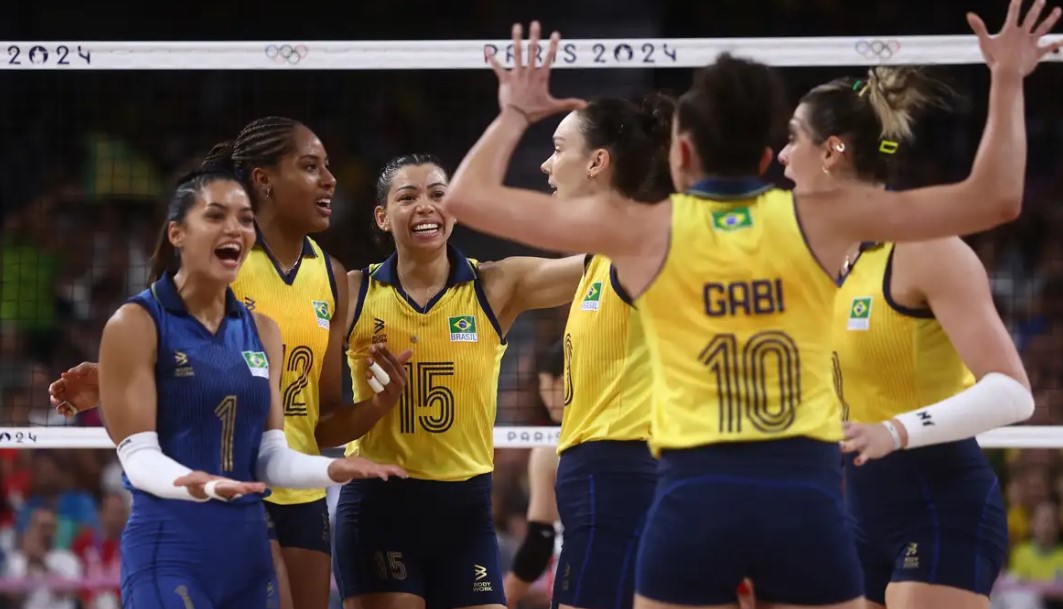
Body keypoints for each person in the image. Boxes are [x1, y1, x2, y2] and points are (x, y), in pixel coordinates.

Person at [440, 5, 1060, 608]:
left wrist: (515, 112)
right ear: (766, 161)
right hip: (804, 494)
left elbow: (467, 198)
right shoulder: (822, 221)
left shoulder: (642, 232)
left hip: (692, 495)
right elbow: (998, 198)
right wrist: (1007, 79)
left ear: (681, 156)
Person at [49, 117, 412, 609]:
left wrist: (377, 406)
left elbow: (322, 419)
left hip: (298, 487)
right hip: (231, 488)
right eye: (310, 167)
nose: (330, 179)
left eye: (327, 167)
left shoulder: (329, 276)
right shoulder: (216, 264)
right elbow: (167, 342)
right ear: (264, 181)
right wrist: (116, 379)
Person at [776, 66, 1033, 609]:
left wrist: (894, 431)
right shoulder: (818, 257)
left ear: (832, 152)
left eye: (793, 136)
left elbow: (1013, 392)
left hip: (940, 503)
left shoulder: (924, 248)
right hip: (857, 511)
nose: (780, 155)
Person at [332, 153, 586, 609]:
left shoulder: (496, 285)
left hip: (465, 511)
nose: (425, 206)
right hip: (379, 508)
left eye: (438, 194)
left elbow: (596, 266)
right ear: (382, 217)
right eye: (407, 197)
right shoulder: (354, 292)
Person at [535, 94, 671, 609]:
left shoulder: (641, 247)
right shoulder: (601, 254)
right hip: (599, 475)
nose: (546, 163)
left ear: (597, 162)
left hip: (622, 470)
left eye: (557, 147)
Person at [504, 340, 564, 609]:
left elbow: (541, 537)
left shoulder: (549, 449)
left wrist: (505, 596)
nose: (543, 394)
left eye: (544, 384)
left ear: (560, 382)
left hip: (576, 576)